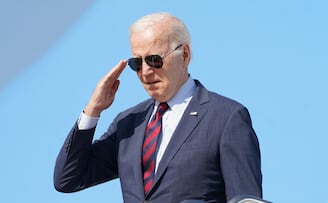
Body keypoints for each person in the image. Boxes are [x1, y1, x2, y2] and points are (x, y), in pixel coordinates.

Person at [54, 12, 262, 203]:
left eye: (154, 60)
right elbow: (68, 179)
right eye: (137, 63)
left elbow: (245, 198)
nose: (145, 72)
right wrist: (93, 110)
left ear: (185, 55)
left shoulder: (226, 117)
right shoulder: (129, 123)